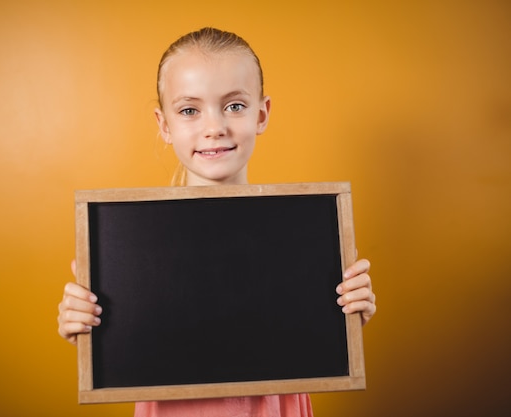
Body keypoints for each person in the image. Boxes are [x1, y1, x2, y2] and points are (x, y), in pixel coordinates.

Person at [58, 27, 376, 417]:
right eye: (190, 110)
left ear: (261, 114)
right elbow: (126, 336)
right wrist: (89, 327)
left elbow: (312, 333)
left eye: (234, 106)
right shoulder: (122, 245)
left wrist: (346, 310)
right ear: (164, 124)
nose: (215, 127)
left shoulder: (310, 235)